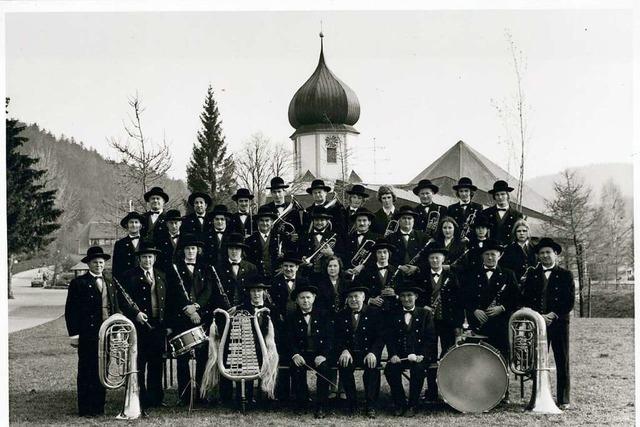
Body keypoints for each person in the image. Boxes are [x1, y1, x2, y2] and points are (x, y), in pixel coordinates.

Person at [119, 242, 200, 409]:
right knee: (139, 362)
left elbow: (170, 303)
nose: (147, 260)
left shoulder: (161, 275)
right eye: (144, 257)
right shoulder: (129, 276)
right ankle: (139, 397)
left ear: (154, 258)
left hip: (158, 326)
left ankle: (156, 398)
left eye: (150, 257)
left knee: (156, 363)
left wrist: (169, 325)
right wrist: (136, 314)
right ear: (139, 259)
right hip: (139, 325)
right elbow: (123, 301)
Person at [65, 246, 121, 416]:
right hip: (88, 334)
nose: (98, 265)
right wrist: (74, 334)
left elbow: (115, 307)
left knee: (102, 369)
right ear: (88, 264)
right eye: (95, 262)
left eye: (101, 262)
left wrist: (117, 329)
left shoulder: (110, 282)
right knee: (86, 370)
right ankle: (85, 408)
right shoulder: (79, 283)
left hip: (107, 334)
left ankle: (98, 407)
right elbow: (71, 310)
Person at [520, 237, 574, 409]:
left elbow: (569, 301)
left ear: (555, 254)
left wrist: (552, 315)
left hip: (558, 323)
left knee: (561, 359)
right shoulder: (532, 275)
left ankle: (563, 399)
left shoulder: (566, 275)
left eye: (548, 252)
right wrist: (537, 316)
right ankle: (537, 397)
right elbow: (526, 298)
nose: (545, 256)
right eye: (541, 253)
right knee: (537, 360)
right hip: (537, 323)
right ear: (538, 256)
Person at [171, 235, 222, 406]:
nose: (191, 251)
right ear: (183, 251)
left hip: (202, 317)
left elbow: (209, 291)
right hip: (182, 318)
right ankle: (184, 396)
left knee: (202, 357)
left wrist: (197, 307)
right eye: (187, 249)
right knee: (183, 359)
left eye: (193, 248)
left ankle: (201, 393)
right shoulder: (175, 268)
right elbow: (175, 293)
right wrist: (188, 310)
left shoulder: (206, 268)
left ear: (197, 250)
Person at [461, 239, 519, 368]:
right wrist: (474, 309)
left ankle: (502, 387)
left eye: (493, 254)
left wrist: (502, 307)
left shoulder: (508, 274)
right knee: (477, 359)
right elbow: (464, 297)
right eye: (487, 254)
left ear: (500, 256)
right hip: (477, 323)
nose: (490, 257)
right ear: (482, 256)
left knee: (500, 356)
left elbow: (516, 298)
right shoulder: (471, 274)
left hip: (500, 323)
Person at [384, 281, 437, 417]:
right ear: (399, 298)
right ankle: (400, 403)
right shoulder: (393, 314)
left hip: (420, 356)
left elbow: (430, 338)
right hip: (400, 356)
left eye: (409, 295)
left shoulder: (425, 314)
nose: (406, 299)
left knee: (418, 370)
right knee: (390, 370)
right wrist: (393, 355)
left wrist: (422, 355)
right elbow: (390, 338)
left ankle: (413, 404)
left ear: (416, 297)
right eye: (403, 296)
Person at [420, 246, 463, 403]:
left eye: (437, 257)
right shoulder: (422, 276)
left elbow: (459, 301)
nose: (435, 260)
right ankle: (431, 391)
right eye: (432, 258)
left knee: (448, 355)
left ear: (443, 259)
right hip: (429, 323)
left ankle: (448, 391)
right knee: (430, 356)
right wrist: (423, 305)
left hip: (447, 322)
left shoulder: (452, 276)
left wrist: (458, 325)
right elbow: (416, 296)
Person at [334, 284, 384, 418]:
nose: (353, 300)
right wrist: (344, 350)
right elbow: (337, 337)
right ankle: (352, 403)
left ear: (363, 297)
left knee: (372, 367)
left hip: (368, 352)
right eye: (350, 297)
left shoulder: (375, 313)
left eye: (356, 296)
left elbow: (380, 337)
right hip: (349, 353)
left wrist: (373, 352)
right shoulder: (341, 315)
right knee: (344, 365)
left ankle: (371, 405)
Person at [286, 284, 334, 418]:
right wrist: (295, 354)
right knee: (296, 368)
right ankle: (302, 402)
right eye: (302, 298)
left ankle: (321, 406)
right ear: (297, 300)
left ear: (313, 298)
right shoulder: (292, 317)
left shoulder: (324, 315)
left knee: (324, 368)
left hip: (320, 353)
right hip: (302, 354)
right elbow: (289, 339)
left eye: (308, 297)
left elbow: (331, 337)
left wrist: (323, 355)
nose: (305, 301)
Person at [355, 239, 399, 311]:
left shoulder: (396, 271)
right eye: (379, 252)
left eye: (385, 252)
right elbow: (358, 290)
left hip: (392, 309)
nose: (382, 255)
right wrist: (370, 300)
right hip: (372, 310)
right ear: (375, 254)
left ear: (389, 254)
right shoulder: (366, 271)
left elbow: (402, 290)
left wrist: (395, 294)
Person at [215, 233, 258, 307]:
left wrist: (240, 307)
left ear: (242, 250)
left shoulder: (251, 268)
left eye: (237, 249)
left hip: (245, 308)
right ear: (227, 250)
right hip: (225, 309)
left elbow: (253, 292)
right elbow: (216, 293)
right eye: (231, 248)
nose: (234, 251)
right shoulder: (219, 268)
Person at [298, 206, 342, 275]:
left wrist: (332, 254)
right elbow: (300, 254)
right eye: (316, 220)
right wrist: (303, 261)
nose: (319, 222)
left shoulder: (335, 236)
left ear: (327, 221)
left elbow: (343, 256)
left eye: (322, 220)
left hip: (327, 275)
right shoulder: (305, 237)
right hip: (309, 274)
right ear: (313, 221)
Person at [386, 205, 428, 278]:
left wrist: (417, 267)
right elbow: (387, 258)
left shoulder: (423, 237)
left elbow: (427, 257)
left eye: (409, 218)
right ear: (399, 220)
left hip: (418, 276)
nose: (406, 221)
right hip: (396, 276)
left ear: (413, 220)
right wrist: (399, 267)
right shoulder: (390, 238)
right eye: (404, 218)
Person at [245, 207, 286, 278]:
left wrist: (284, 269)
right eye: (261, 220)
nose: (264, 223)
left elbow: (289, 256)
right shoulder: (249, 240)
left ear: (272, 221)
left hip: (277, 277)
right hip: (257, 278)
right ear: (257, 222)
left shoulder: (281, 237)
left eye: (267, 220)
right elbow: (247, 261)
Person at [482, 180, 524, 245]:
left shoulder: (517, 215)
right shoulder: (486, 213)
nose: (500, 197)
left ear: (507, 195)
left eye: (502, 194)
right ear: (494, 197)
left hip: (510, 250)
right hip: (491, 249)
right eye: (497, 195)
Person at [112, 211, 144, 283]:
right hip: (127, 281)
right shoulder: (120, 244)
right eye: (131, 222)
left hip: (145, 281)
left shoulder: (147, 242)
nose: (134, 225)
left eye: (136, 222)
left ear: (140, 225)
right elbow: (116, 268)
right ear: (127, 225)